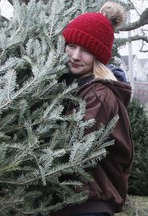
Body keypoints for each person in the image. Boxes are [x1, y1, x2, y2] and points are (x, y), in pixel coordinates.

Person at [55, 2, 133, 216]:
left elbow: (70, 148)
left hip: (87, 204)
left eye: (86, 51)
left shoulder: (98, 95)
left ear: (99, 57)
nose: (76, 56)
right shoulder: (77, 86)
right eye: (71, 45)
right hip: (75, 201)